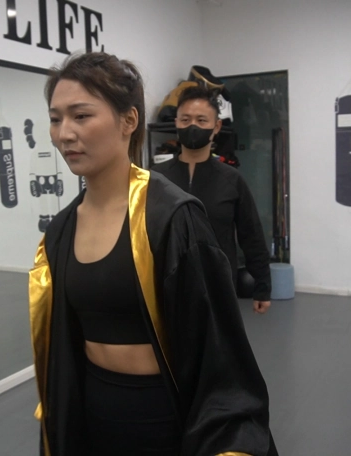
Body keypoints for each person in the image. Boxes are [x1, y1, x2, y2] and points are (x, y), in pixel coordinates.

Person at [30, 52, 278, 455]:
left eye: (81, 116)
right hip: (92, 416)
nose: (64, 134)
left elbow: (221, 353)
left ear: (128, 121)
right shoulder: (60, 232)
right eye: (56, 119)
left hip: (161, 418)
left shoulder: (172, 219)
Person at [153, 85, 273, 314]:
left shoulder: (231, 180)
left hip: (218, 287)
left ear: (216, 126)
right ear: (176, 123)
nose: (193, 126)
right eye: (185, 119)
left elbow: (251, 235)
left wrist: (262, 286)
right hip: (167, 287)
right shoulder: (156, 178)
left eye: (201, 120)